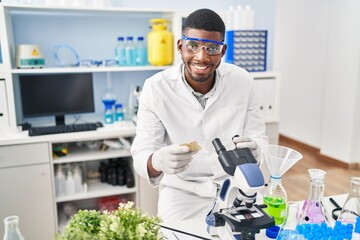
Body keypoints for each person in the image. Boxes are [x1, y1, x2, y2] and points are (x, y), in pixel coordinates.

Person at [130, 8, 268, 223]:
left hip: (236, 187)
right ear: (180, 46)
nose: (202, 57)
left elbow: (259, 138)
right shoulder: (156, 87)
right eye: (193, 46)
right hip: (182, 193)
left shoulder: (243, 81)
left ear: (223, 51)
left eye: (212, 48)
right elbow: (141, 153)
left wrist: (258, 151)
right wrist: (156, 161)